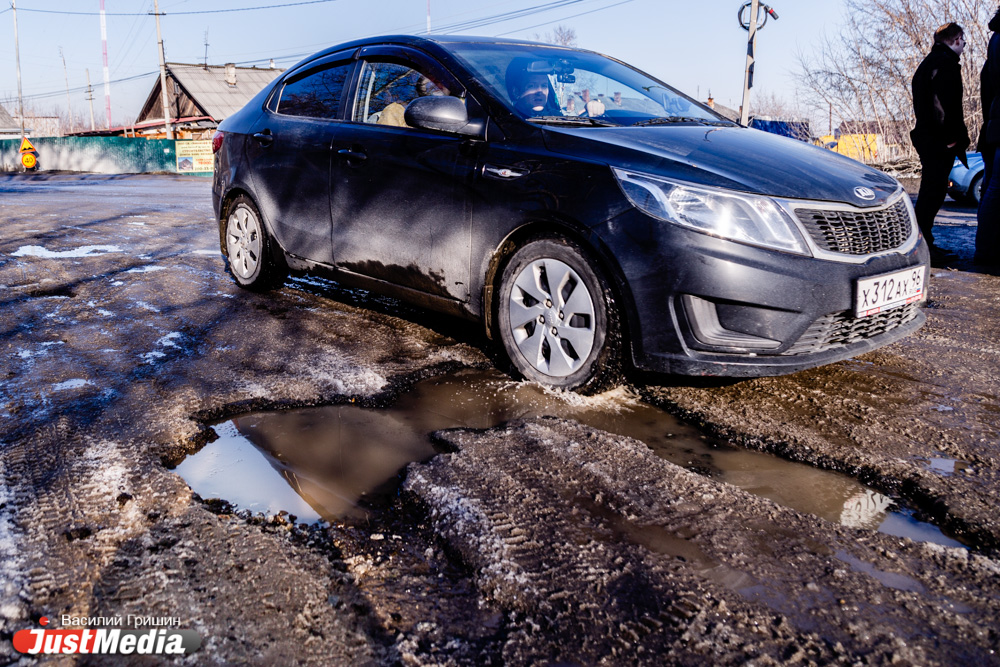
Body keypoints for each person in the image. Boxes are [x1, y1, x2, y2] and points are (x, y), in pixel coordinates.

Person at [910, 22, 969, 266]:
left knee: (931, 194)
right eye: (963, 39)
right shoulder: (944, 65)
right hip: (938, 141)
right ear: (955, 39)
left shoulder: (930, 63)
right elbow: (942, 105)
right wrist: (949, 139)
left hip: (929, 139)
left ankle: (924, 244)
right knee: (931, 195)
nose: (965, 44)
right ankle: (922, 247)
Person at [976, 7, 1000, 268]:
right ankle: (986, 250)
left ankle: (986, 249)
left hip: (994, 125)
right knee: (995, 189)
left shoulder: (995, 40)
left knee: (993, 189)